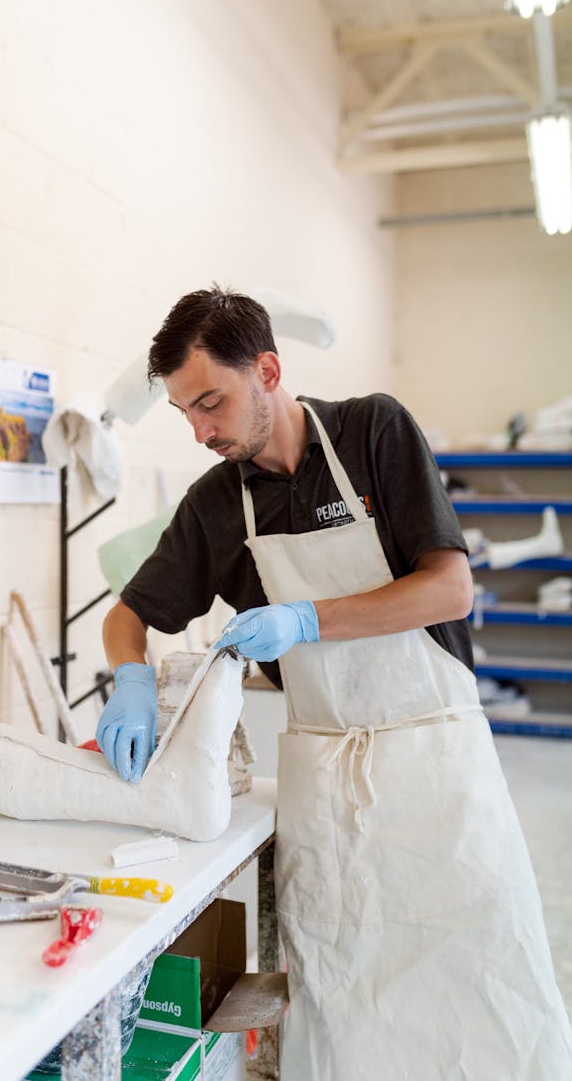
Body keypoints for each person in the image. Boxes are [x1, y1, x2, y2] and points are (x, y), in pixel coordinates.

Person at [97, 286, 572, 1079]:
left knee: (483, 980)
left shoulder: (372, 432)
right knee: (345, 998)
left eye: (210, 402)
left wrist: (307, 619)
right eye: (185, 413)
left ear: (269, 370)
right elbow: (127, 614)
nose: (201, 430)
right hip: (326, 784)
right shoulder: (219, 506)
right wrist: (130, 678)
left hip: (437, 766)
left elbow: (449, 589)